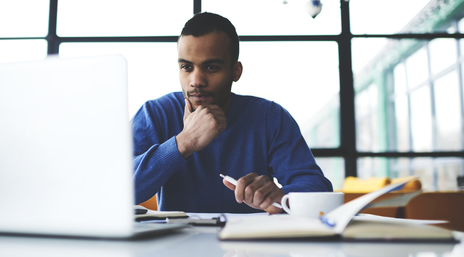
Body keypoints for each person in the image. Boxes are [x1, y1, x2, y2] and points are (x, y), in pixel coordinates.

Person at [132, 12, 332, 214]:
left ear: (236, 71)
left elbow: (316, 188)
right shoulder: (154, 114)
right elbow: (115, 191)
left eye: (211, 67)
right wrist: (184, 142)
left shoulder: (270, 117)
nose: (196, 81)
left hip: (253, 243)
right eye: (186, 67)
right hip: (175, 243)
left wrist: (283, 199)